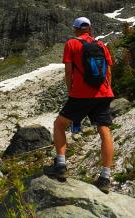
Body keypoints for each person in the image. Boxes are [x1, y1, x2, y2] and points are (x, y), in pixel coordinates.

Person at [44, 16, 114, 193]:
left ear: (75, 29)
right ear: (90, 29)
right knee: (104, 131)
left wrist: (71, 91)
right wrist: (106, 91)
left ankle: (60, 166)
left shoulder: (71, 44)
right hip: (104, 93)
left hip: (82, 94)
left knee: (59, 125)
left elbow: (69, 72)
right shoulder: (102, 45)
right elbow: (109, 72)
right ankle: (105, 177)